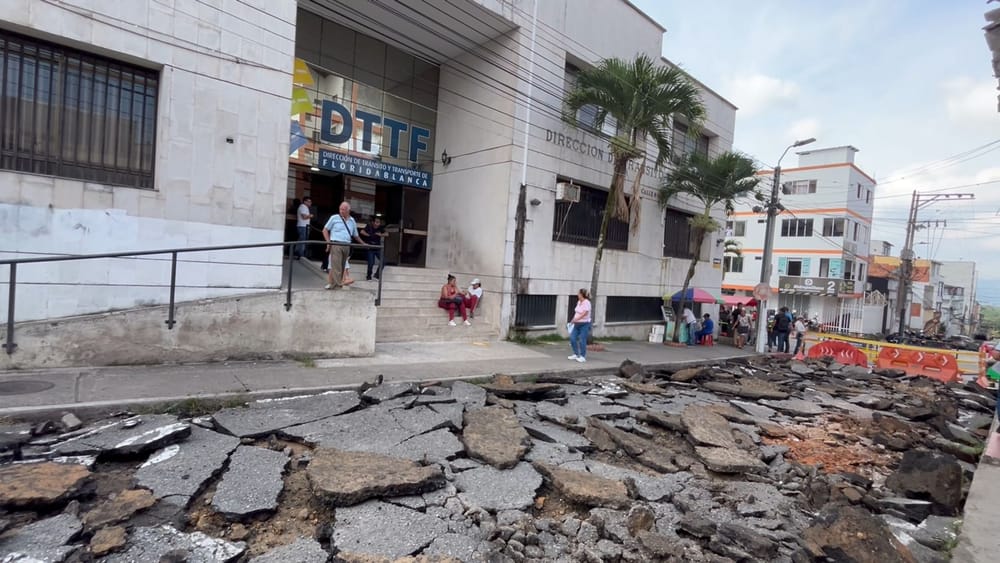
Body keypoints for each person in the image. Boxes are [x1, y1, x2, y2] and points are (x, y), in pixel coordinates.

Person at [322, 202, 365, 290]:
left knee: (343, 265)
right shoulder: (334, 218)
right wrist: (328, 242)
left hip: (347, 245)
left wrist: (363, 243)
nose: (341, 211)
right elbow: (325, 230)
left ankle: (334, 284)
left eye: (343, 210)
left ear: (348, 210)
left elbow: (355, 235)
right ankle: (338, 284)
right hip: (336, 243)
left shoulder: (352, 220)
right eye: (340, 209)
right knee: (336, 265)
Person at [568, 288, 592, 363]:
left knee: (582, 339)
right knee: (572, 338)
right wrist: (572, 320)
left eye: (578, 293)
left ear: (582, 294)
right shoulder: (579, 302)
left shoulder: (587, 302)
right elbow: (577, 312)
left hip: (584, 324)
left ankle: (582, 356)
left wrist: (577, 319)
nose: (577, 294)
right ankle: (576, 354)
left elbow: (584, 313)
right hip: (576, 324)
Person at [360, 215, 386, 280]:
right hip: (370, 248)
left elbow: (387, 234)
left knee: (383, 261)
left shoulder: (380, 228)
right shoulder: (369, 226)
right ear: (373, 222)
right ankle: (369, 276)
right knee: (371, 263)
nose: (378, 224)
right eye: (377, 222)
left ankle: (377, 274)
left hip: (377, 248)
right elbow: (362, 231)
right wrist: (368, 235)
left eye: (379, 222)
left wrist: (381, 234)